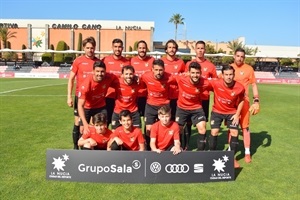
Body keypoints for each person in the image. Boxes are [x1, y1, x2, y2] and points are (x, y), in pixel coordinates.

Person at [208, 65, 245, 168]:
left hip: (232, 112)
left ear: (234, 75)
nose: (228, 77)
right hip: (217, 111)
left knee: (235, 132)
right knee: (214, 132)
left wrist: (237, 114)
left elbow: (242, 100)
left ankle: (231, 157)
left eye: (230, 75)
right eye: (226, 74)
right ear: (222, 75)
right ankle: (212, 155)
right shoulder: (215, 83)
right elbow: (202, 83)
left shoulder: (240, 87)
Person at [67, 36, 100, 149]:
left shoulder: (98, 62)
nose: (90, 50)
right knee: (78, 122)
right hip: (80, 96)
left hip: (93, 99)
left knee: (90, 124)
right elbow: (71, 79)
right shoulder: (78, 61)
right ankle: (76, 147)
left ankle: (89, 147)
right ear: (84, 48)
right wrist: (69, 97)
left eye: (92, 48)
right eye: (88, 48)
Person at [184, 41, 218, 149]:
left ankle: (202, 147)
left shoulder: (210, 66)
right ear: (195, 49)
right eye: (198, 48)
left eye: (202, 48)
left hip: (203, 99)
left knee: (202, 123)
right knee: (188, 123)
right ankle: (186, 145)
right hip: (190, 99)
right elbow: (185, 80)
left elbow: (215, 83)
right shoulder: (189, 64)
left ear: (205, 50)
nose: (200, 50)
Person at [230, 47, 260, 163]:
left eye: (242, 56)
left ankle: (247, 153)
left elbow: (253, 85)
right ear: (234, 56)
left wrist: (256, 100)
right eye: (238, 56)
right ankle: (230, 152)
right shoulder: (229, 68)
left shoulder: (249, 69)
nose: (240, 58)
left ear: (244, 58)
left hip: (245, 102)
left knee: (245, 127)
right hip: (232, 103)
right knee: (232, 128)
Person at [140, 59, 175, 150]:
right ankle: (149, 149)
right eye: (156, 70)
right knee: (148, 129)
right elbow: (138, 82)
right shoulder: (145, 76)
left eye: (160, 70)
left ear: (164, 69)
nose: (158, 72)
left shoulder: (170, 77)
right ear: (152, 69)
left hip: (164, 105)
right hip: (151, 105)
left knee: (166, 127)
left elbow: (181, 79)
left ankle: (168, 147)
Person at [175, 61, 209, 151]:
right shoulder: (180, 78)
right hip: (182, 107)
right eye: (193, 73)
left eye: (197, 73)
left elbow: (217, 84)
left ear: (201, 73)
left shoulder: (205, 82)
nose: (195, 75)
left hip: (196, 108)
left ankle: (200, 153)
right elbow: (167, 77)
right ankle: (179, 149)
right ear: (188, 72)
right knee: (178, 129)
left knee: (202, 128)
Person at [77, 60, 118, 135]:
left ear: (105, 71)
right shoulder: (86, 85)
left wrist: (134, 77)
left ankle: (102, 145)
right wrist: (85, 124)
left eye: (102, 71)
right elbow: (80, 105)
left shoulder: (109, 77)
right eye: (97, 71)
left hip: (101, 107)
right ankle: (82, 146)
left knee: (103, 129)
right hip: (87, 108)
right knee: (83, 131)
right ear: (93, 71)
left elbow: (121, 79)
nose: (100, 74)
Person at [102, 38, 130, 127]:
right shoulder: (105, 60)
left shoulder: (127, 62)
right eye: (115, 47)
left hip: (122, 97)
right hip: (108, 95)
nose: (117, 49)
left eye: (119, 47)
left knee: (123, 123)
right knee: (106, 121)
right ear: (112, 47)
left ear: (123, 48)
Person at [161, 39, 185, 120]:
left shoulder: (181, 62)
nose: (171, 49)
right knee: (163, 118)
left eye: (174, 47)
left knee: (175, 118)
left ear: (176, 49)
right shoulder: (161, 61)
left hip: (176, 95)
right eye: (170, 47)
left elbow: (184, 78)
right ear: (166, 49)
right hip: (163, 95)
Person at [111, 65, 141, 131]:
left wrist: (137, 77)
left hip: (133, 111)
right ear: (122, 75)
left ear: (134, 74)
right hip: (118, 111)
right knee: (114, 134)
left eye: (130, 74)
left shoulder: (137, 82)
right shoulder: (117, 82)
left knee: (137, 132)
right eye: (126, 74)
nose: (128, 76)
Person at [130, 40, 155, 117]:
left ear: (146, 49)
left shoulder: (152, 60)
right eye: (140, 48)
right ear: (137, 49)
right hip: (135, 95)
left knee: (147, 118)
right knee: (134, 118)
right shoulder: (132, 60)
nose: (142, 50)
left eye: (144, 48)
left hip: (148, 95)